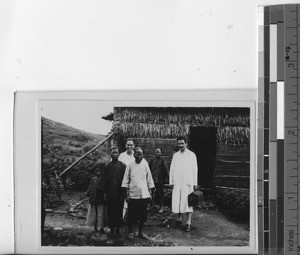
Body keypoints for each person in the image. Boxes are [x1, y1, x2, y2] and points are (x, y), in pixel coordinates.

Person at [121, 147, 155, 240]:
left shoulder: (145, 164)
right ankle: (131, 232)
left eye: (141, 154)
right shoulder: (130, 165)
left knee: (143, 215)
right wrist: (127, 194)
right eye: (137, 154)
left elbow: (149, 179)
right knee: (131, 215)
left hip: (143, 194)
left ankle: (141, 232)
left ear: (143, 155)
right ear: (134, 154)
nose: (139, 156)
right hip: (133, 194)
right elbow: (125, 180)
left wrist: (150, 193)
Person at [169, 136, 198, 232]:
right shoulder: (176, 155)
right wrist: (171, 182)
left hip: (187, 182)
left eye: (182, 143)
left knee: (188, 202)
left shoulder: (191, 155)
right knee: (178, 200)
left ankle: (188, 222)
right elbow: (172, 169)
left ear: (186, 143)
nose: (181, 145)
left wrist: (195, 183)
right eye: (179, 143)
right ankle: (179, 219)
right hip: (177, 182)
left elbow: (195, 170)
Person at [104, 146, 126, 238]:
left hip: (119, 193)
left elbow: (125, 180)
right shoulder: (107, 166)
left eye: (116, 153)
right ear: (111, 154)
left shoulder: (123, 166)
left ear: (119, 154)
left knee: (119, 211)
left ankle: (117, 229)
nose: (115, 154)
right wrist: (105, 193)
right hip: (110, 193)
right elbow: (104, 180)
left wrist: (124, 193)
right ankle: (112, 229)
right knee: (110, 211)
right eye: (113, 153)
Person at [85, 167, 107, 233]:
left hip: (100, 199)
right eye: (97, 171)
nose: (98, 173)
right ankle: (95, 226)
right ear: (95, 172)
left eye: (100, 171)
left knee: (101, 214)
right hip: (93, 198)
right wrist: (87, 193)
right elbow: (90, 187)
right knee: (94, 213)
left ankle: (101, 227)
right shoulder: (93, 179)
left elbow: (104, 188)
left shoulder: (103, 180)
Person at [149, 147, 169, 213]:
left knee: (160, 194)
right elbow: (149, 170)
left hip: (160, 180)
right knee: (152, 193)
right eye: (156, 152)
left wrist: (166, 179)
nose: (157, 153)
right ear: (154, 153)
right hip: (153, 180)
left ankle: (161, 207)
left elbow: (165, 170)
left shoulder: (163, 160)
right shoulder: (152, 161)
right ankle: (151, 205)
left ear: (161, 153)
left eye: (159, 152)